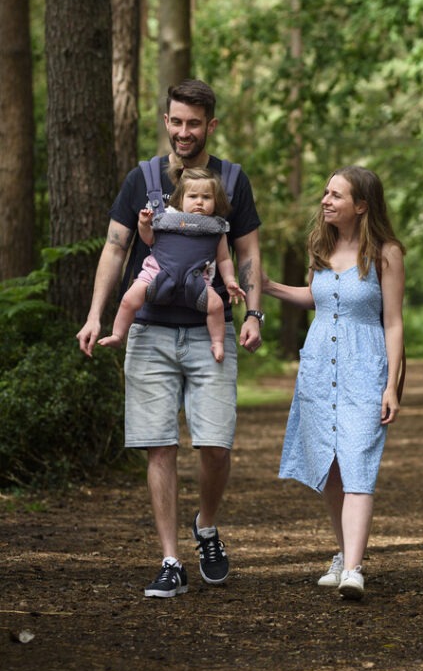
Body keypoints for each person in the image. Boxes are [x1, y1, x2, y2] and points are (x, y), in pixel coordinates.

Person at [77, 79, 264, 599]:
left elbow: (245, 252)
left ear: (211, 125)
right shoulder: (142, 179)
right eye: (176, 122)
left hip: (211, 332)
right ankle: (170, 559)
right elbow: (116, 249)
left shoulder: (231, 179)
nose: (185, 132)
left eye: (195, 123)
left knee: (215, 445)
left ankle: (205, 526)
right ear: (167, 121)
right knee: (158, 445)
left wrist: (255, 314)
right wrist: (97, 314)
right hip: (150, 332)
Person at [262, 166, 405, 601]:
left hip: (366, 367)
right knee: (332, 466)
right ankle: (344, 556)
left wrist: (392, 385)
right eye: (325, 192)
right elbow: (317, 299)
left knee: (359, 461)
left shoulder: (386, 253)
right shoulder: (320, 246)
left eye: (335, 195)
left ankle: (355, 569)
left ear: (361, 205)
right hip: (319, 367)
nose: (325, 200)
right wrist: (267, 286)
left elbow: (394, 322)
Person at [98, 167, 246, 363]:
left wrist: (229, 281)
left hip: (196, 280)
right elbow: (149, 240)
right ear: (181, 199)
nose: (200, 202)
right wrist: (143, 224)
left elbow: (224, 259)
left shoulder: (215, 228)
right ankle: (118, 335)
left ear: (216, 201)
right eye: (193, 196)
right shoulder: (167, 217)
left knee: (216, 305)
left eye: (207, 197)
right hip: (156, 274)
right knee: (129, 299)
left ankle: (217, 342)